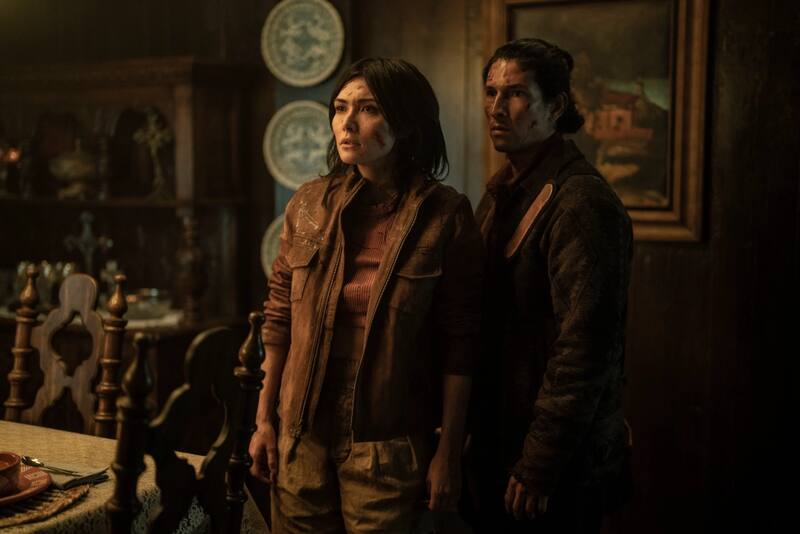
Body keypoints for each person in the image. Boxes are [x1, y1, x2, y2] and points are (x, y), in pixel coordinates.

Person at [249, 57, 484, 533]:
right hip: (301, 431)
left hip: (388, 440)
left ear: (406, 120)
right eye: (339, 108)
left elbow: (462, 344)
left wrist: (448, 452)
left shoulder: (444, 215)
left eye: (369, 108)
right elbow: (277, 320)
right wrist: (264, 421)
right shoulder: (308, 203)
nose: (347, 123)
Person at [468, 38, 633, 533]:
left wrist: (541, 462)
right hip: (500, 442)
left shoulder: (581, 202)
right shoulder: (504, 191)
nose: (497, 108)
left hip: (555, 465)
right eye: (491, 92)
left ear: (556, 106)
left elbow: (585, 349)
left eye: (516, 93)